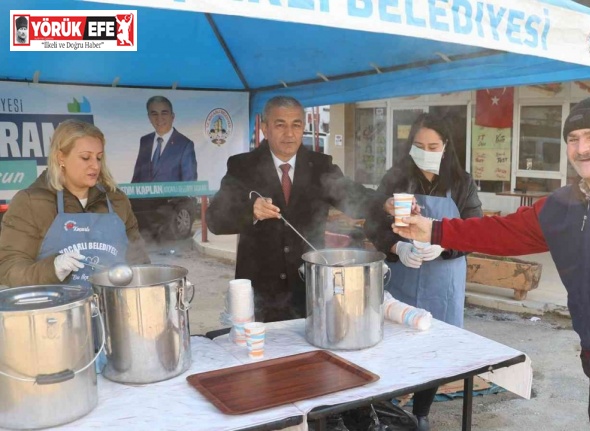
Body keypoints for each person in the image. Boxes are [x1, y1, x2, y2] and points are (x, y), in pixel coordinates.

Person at [391, 95, 590, 431]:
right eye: (573, 139)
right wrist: (434, 229)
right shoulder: (564, 205)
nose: (582, 148)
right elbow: (502, 232)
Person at [207, 96, 380, 322]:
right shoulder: (242, 167)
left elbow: (354, 197)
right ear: (265, 128)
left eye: (296, 125)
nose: (289, 134)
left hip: (309, 291)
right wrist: (250, 210)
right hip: (260, 295)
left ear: (303, 127)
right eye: (280, 125)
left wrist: (385, 203)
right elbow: (215, 219)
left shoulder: (320, 166)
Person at [364, 113, 482, 431]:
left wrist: (442, 245)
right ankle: (388, 411)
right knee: (395, 343)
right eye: (419, 145)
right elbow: (374, 224)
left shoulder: (462, 183)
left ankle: (421, 413)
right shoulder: (396, 179)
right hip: (402, 276)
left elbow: (474, 230)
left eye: (432, 145)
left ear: (445, 147)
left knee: (434, 350)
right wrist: (397, 248)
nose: (425, 150)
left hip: (443, 282)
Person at [0, 120, 150, 289]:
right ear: (60, 157)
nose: (95, 165)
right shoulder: (31, 202)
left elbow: (139, 260)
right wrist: (53, 269)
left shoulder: (117, 201)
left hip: (112, 308)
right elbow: (8, 269)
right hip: (57, 310)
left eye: (99, 157)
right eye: (85, 157)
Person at [131, 96, 197, 183]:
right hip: (143, 197)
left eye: (164, 113)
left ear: (172, 116)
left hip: (173, 197)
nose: (159, 118)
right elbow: (136, 178)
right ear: (149, 117)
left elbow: (189, 184)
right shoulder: (145, 141)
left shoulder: (185, 145)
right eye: (154, 114)